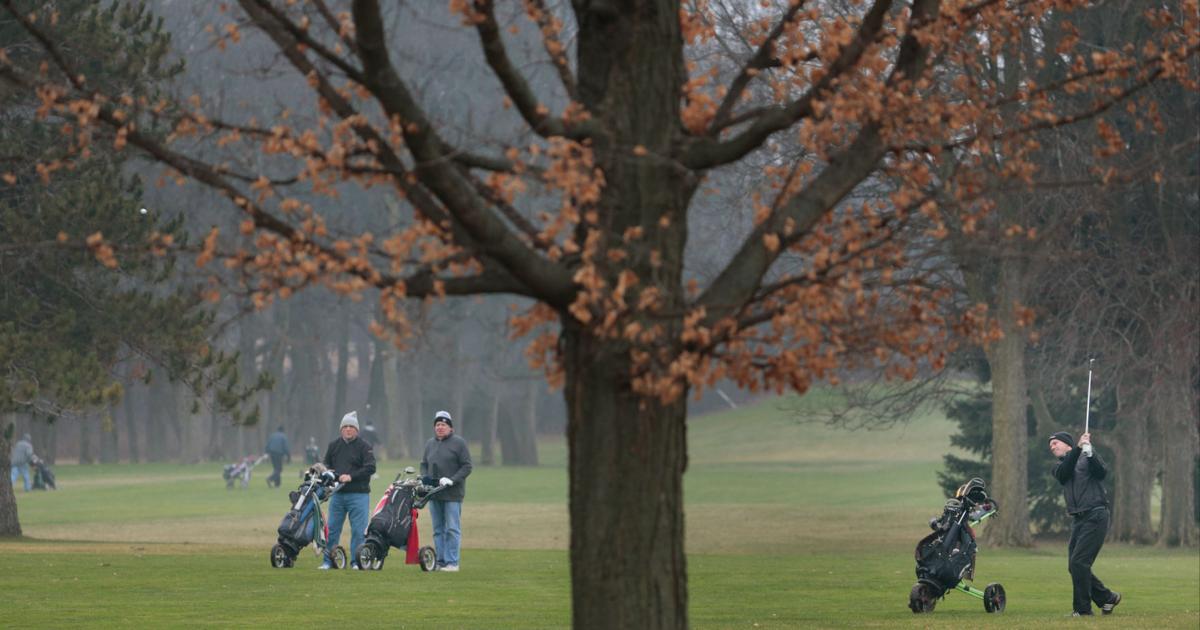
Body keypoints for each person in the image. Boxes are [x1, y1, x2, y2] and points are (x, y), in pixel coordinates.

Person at [1048, 431, 1122, 617]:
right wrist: (1078, 450)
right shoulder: (1058, 467)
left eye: (1056, 443)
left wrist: (1091, 453)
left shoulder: (1086, 457)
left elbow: (1102, 472)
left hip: (1096, 514)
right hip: (1079, 518)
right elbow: (1065, 473)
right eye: (1051, 445)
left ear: (1067, 444)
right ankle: (1107, 598)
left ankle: (1083, 610)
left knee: (1079, 562)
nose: (1052, 446)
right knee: (1075, 565)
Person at [321, 411, 376, 569]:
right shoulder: (334, 446)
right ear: (341, 429)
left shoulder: (364, 447)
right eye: (345, 427)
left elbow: (370, 467)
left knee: (358, 532)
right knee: (332, 530)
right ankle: (328, 561)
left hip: (358, 494)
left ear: (357, 430)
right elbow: (327, 465)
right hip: (338, 495)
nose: (348, 429)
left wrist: (351, 476)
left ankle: (356, 562)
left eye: (351, 427)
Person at [421, 410, 473, 572]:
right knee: (438, 529)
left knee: (451, 528)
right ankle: (441, 561)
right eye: (437, 425)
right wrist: (425, 478)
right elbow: (424, 464)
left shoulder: (459, 443)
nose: (440, 428)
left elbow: (467, 466)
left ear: (450, 427)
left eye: (443, 425)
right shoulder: (430, 443)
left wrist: (452, 479)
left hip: (452, 494)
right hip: (434, 493)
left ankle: (452, 562)